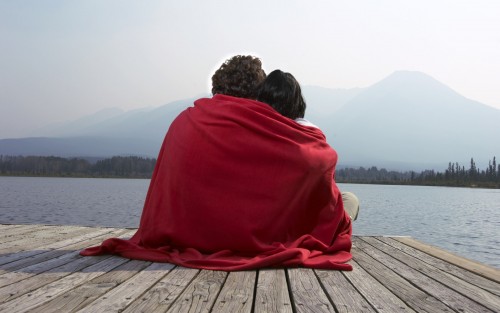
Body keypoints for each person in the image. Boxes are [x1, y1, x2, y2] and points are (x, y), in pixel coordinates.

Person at [80, 55, 354, 271]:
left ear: (216, 89)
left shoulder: (185, 120)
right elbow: (320, 160)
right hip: (247, 237)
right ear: (256, 94)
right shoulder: (265, 130)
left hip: (181, 236)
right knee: (344, 202)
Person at [257, 69, 360, 221]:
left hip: (268, 215)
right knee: (350, 198)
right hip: (303, 220)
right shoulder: (312, 136)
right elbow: (327, 189)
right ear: (297, 102)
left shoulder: (255, 131)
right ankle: (342, 226)